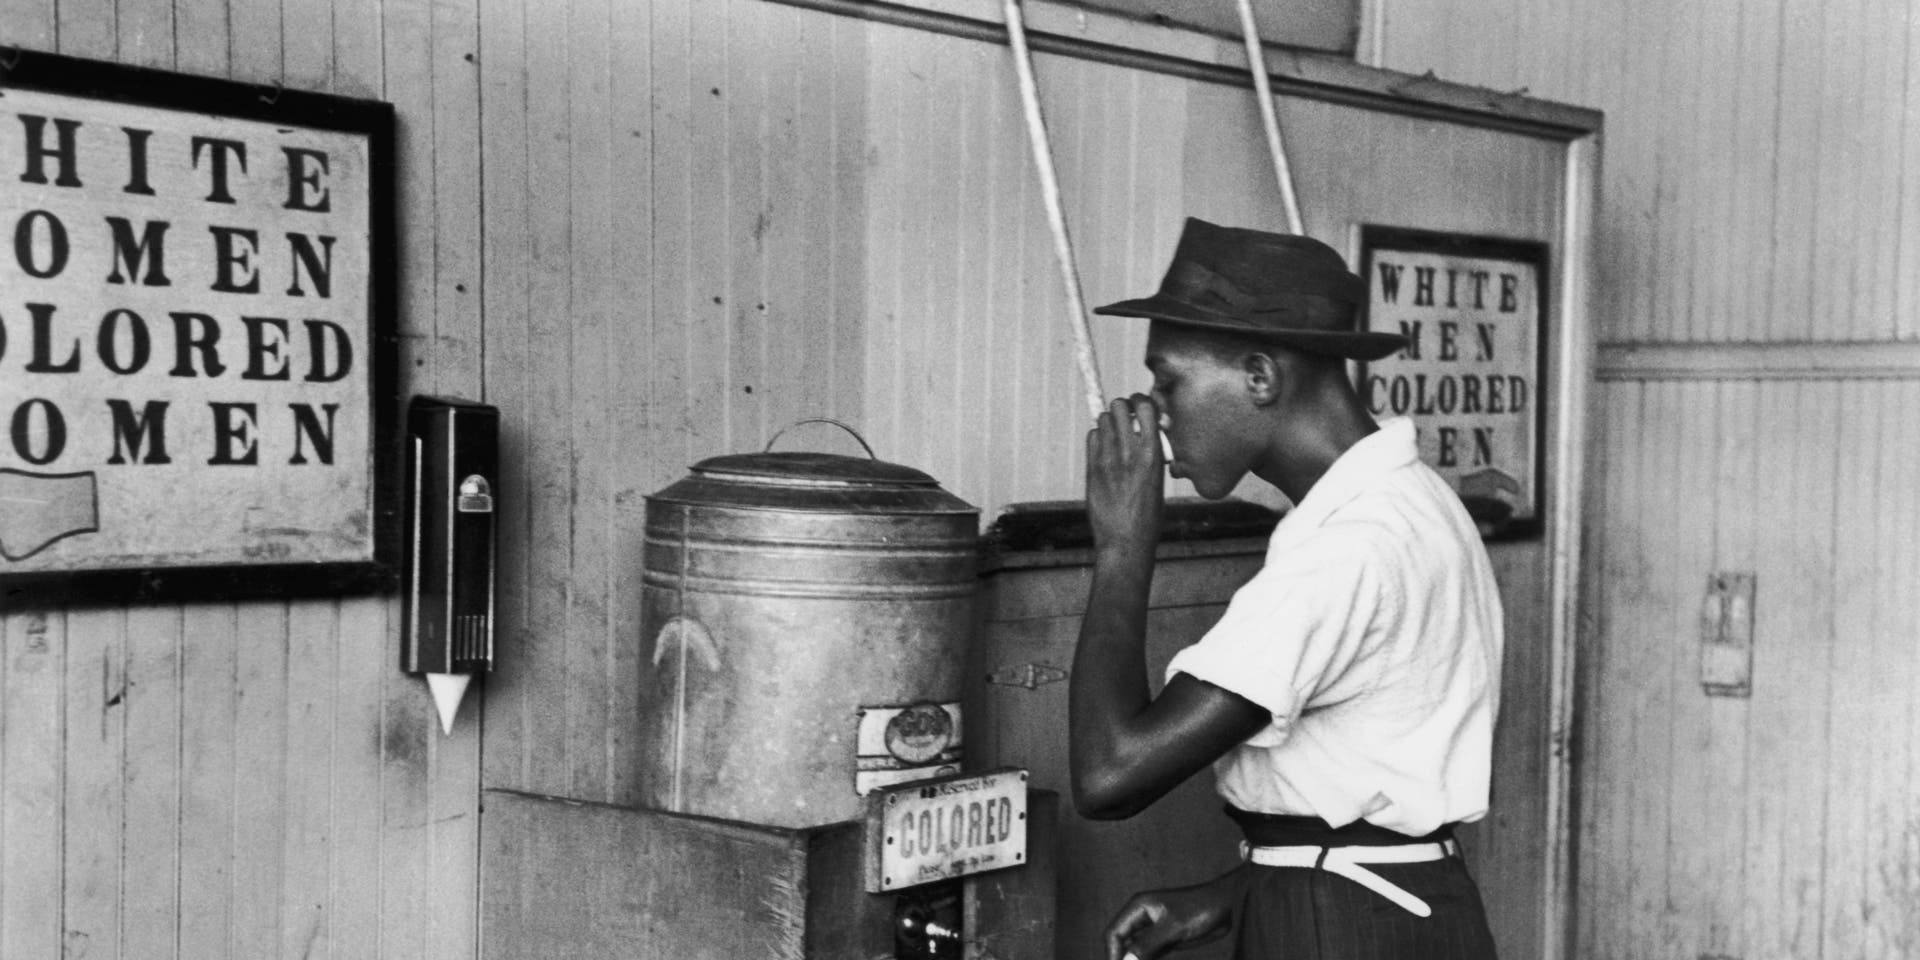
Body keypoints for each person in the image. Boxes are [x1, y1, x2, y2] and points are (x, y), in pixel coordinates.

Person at [1072, 217, 1503, 960]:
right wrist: (1234, 895)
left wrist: (1121, 547)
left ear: (1261, 377)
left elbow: (1112, 774)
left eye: (1167, 380)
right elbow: (1364, 790)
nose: (1156, 413)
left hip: (1346, 927)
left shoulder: (1347, 552)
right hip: (1386, 903)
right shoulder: (1409, 501)